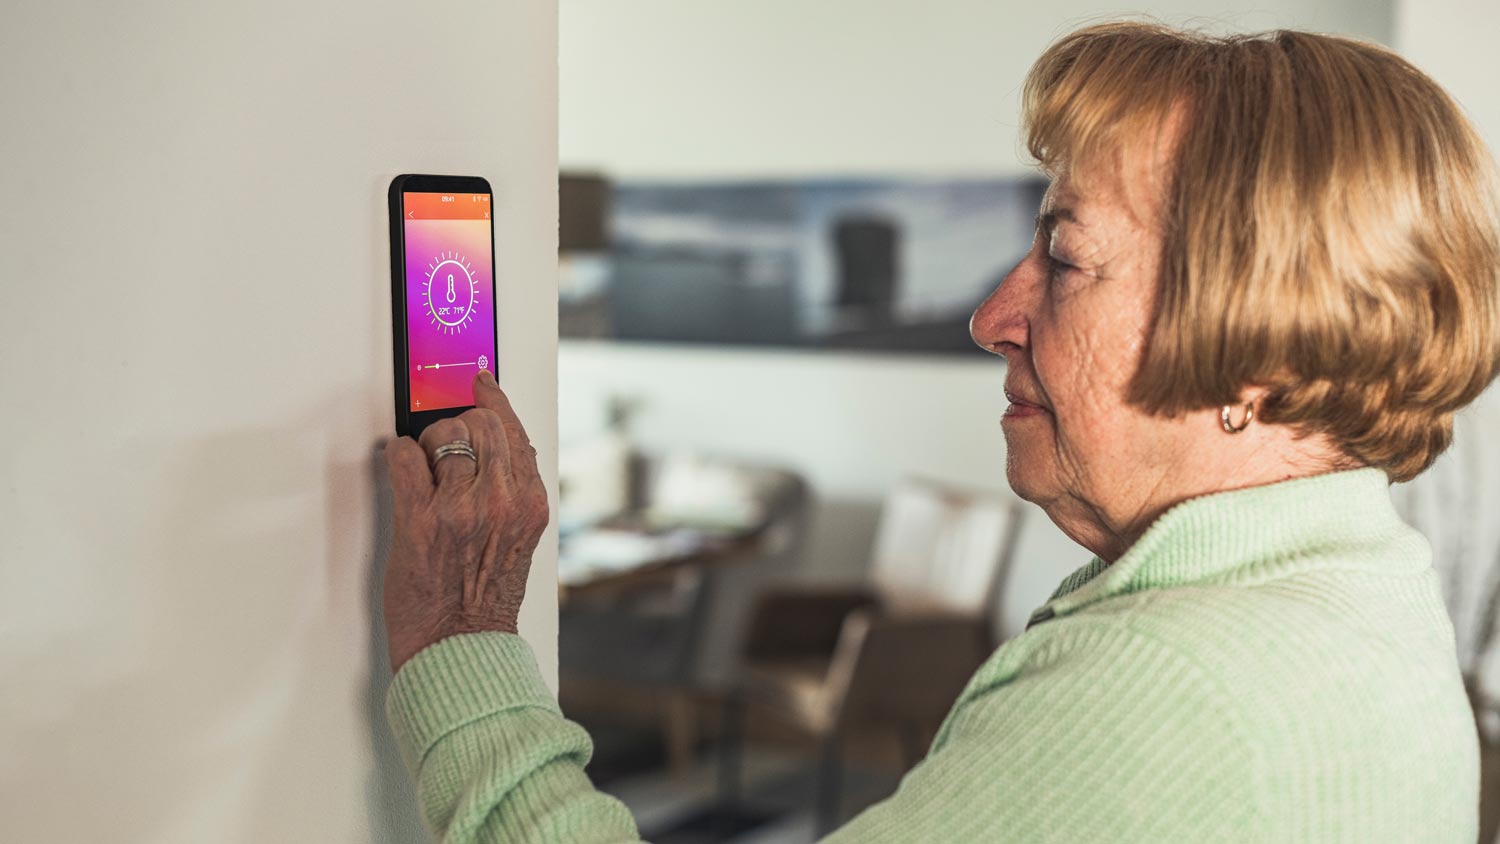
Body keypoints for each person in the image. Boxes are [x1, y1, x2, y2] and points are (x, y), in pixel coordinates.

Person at [381, 22, 1500, 843]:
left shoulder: (1167, 687)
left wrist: (463, 645)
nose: (990, 315)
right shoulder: (1372, 587)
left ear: (1260, 351)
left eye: (1063, 257)